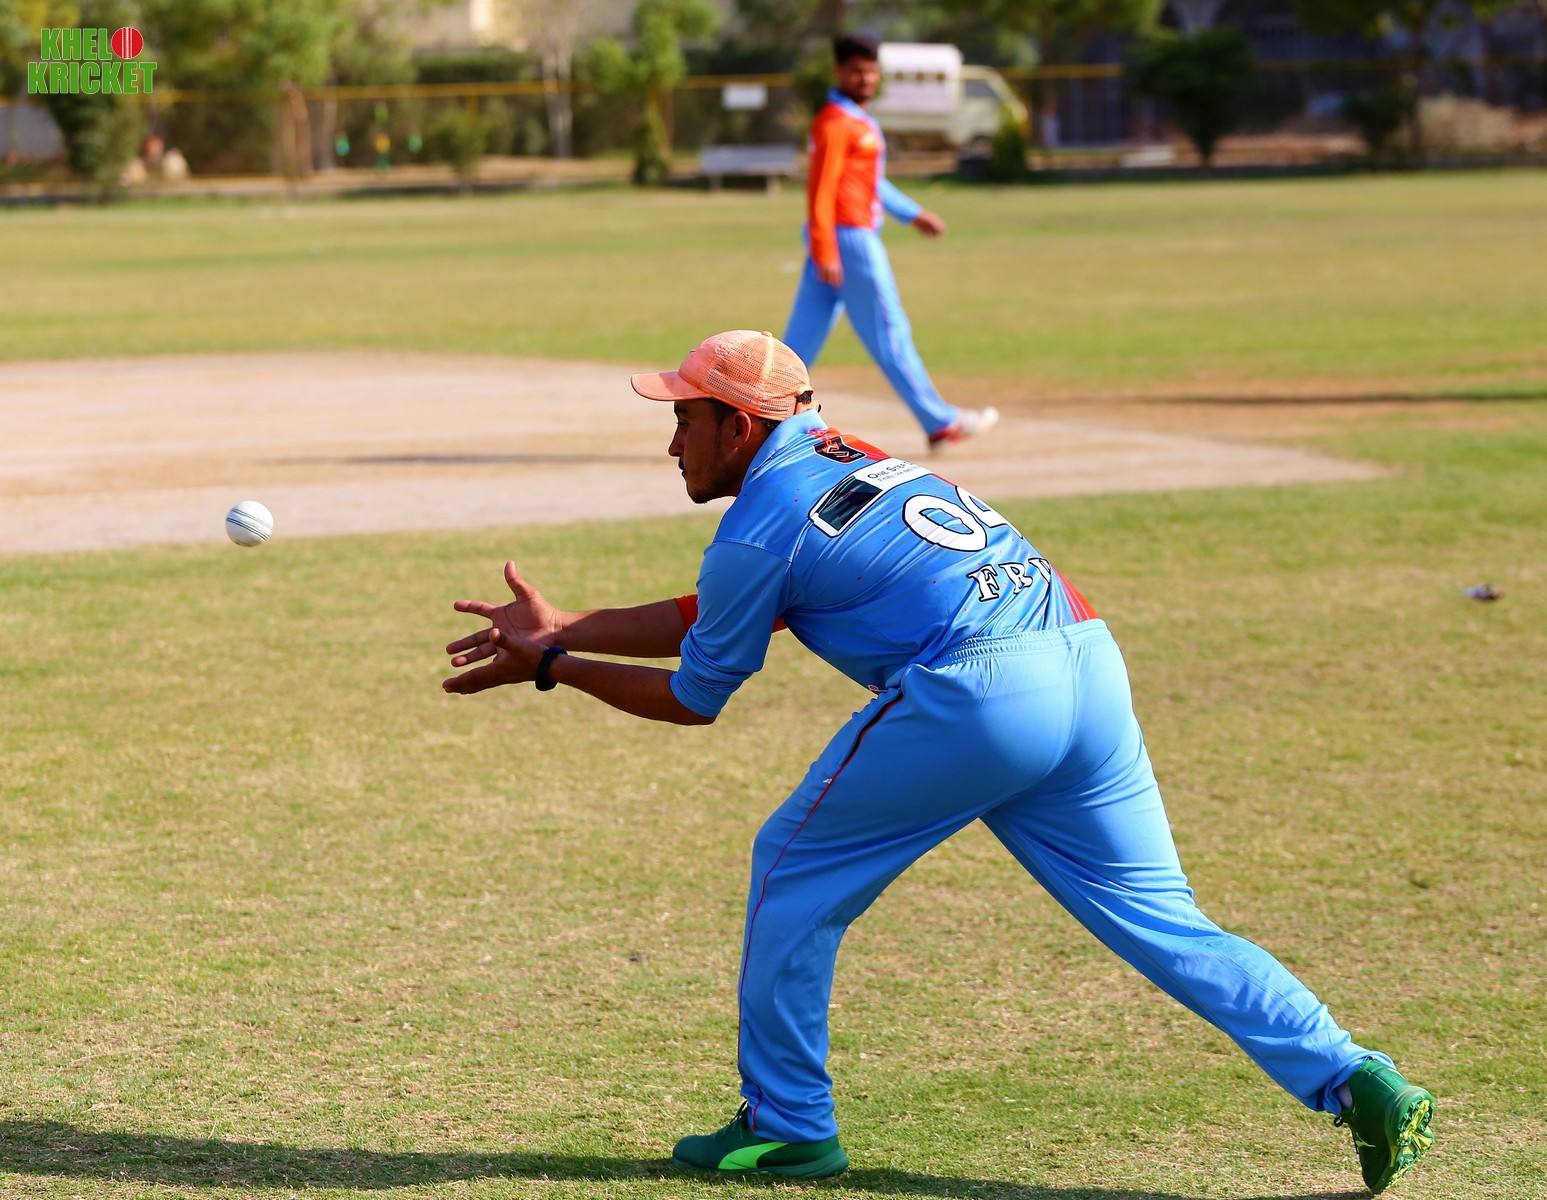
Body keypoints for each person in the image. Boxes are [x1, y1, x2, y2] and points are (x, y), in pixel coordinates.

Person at [441, 330, 1435, 1194]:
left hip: (979, 692)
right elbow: (737, 607)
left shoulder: (756, 523)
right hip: (1084, 661)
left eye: (684, 420)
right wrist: (568, 625)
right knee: (1161, 917)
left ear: (738, 427)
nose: (671, 443)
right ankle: (1354, 1076)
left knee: (789, 865)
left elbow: (695, 696)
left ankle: (787, 1126)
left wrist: (554, 668)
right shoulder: (852, 457)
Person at [782, 32, 996, 451]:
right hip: (850, 242)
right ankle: (940, 422)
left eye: (871, 71)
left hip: (840, 240)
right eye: (856, 71)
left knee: (798, 347)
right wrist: (825, 248)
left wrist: (912, 213)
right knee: (890, 333)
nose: (865, 79)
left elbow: (871, 182)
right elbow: (821, 189)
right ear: (838, 72)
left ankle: (758, 418)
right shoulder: (835, 122)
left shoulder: (857, 119)